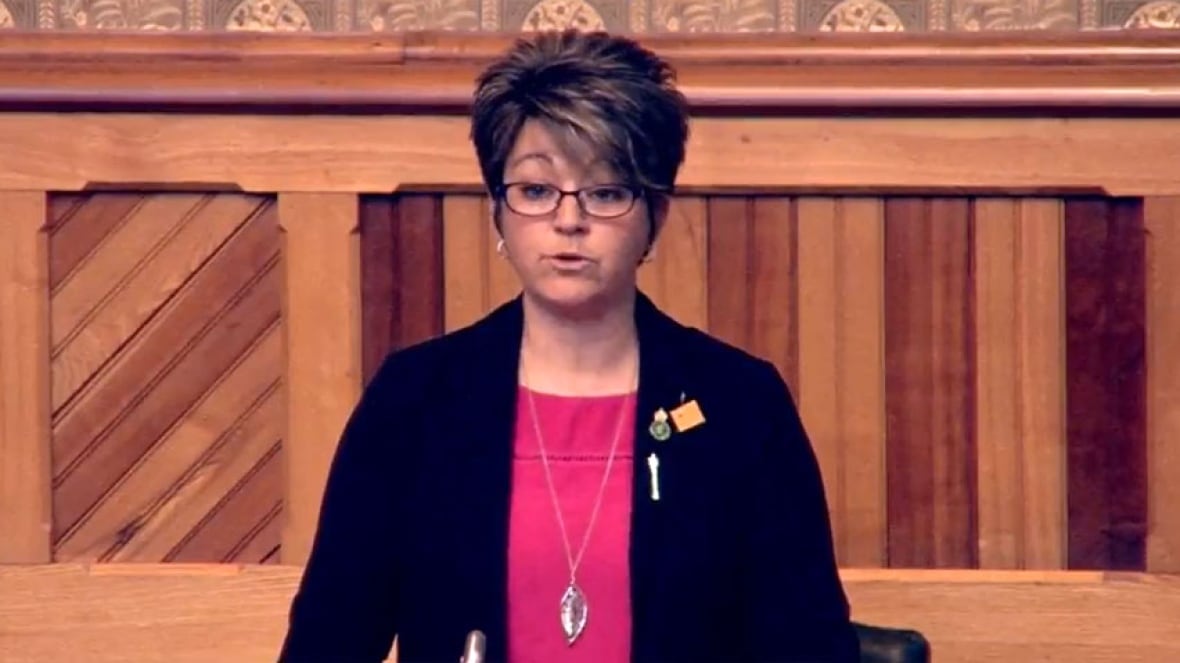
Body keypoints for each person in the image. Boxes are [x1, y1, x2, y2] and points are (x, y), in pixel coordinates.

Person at [278, 29, 859, 663]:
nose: (568, 220)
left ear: (655, 216)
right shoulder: (416, 399)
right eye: (535, 190)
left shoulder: (740, 404)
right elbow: (328, 640)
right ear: (498, 212)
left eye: (606, 192)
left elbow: (809, 645)